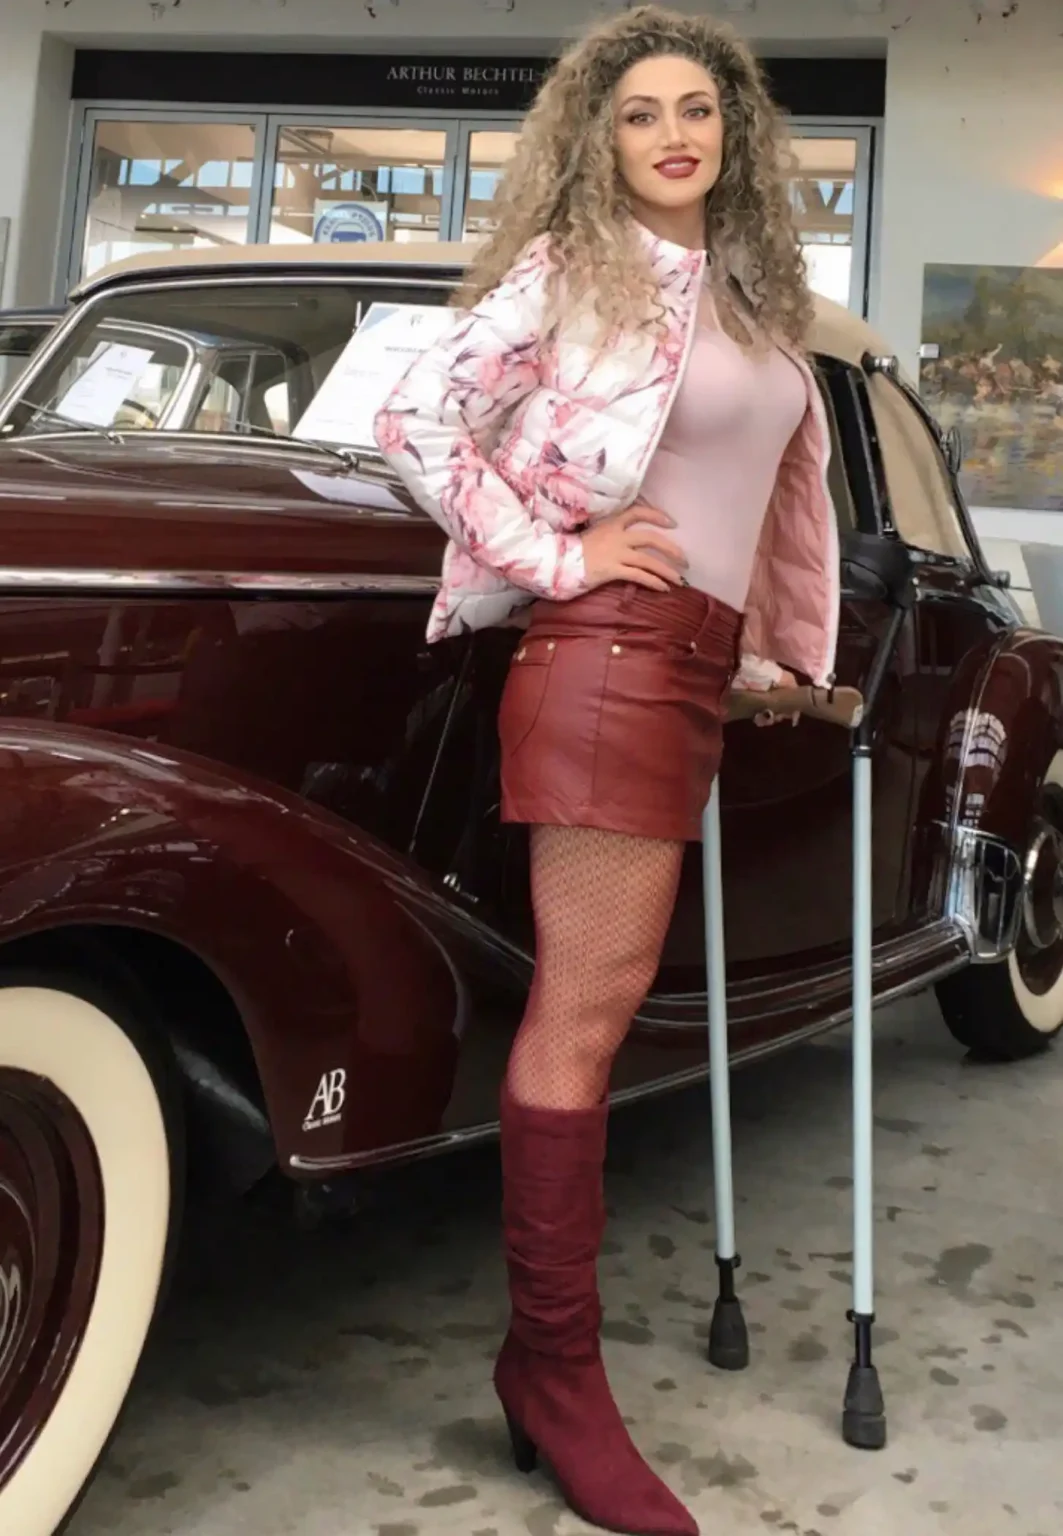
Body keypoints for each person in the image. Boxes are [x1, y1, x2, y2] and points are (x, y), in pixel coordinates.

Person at [374, 7, 839, 1532]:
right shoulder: (575, 276)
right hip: (607, 657)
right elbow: (413, 418)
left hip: (693, 665)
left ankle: (543, 1365)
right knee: (582, 1020)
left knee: (602, 1007)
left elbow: (762, 494)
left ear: (733, 132)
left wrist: (776, 650)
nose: (670, 132)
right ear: (600, 138)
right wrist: (552, 552)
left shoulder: (757, 294)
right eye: (637, 112)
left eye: (695, 107)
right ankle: (553, 1375)